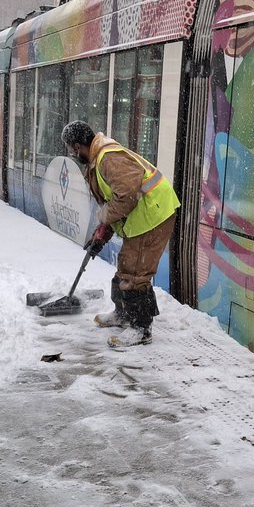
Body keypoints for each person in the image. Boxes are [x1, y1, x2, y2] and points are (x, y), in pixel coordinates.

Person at [61, 120, 180, 347]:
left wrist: (104, 218)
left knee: (136, 273)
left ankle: (141, 329)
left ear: (77, 146)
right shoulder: (98, 159)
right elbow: (113, 201)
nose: (72, 154)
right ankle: (123, 314)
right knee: (127, 265)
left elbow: (126, 196)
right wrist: (100, 236)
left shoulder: (108, 158)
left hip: (154, 214)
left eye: (70, 149)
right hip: (142, 215)